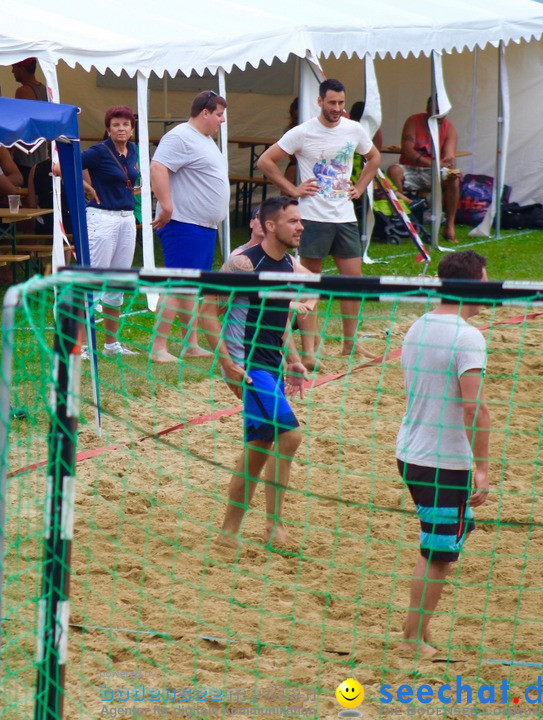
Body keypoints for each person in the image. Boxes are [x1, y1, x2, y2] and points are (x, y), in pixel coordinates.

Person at [395, 250, 490, 658]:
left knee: (455, 531)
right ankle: (412, 638)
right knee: (437, 553)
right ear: (472, 283)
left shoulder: (419, 325)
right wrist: (482, 469)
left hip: (412, 451)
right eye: (486, 280)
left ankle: (420, 631)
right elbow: (474, 407)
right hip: (440, 460)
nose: (491, 287)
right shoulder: (468, 337)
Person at [201, 197, 308, 549]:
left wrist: (292, 359)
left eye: (300, 221)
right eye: (293, 221)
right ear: (271, 226)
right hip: (247, 367)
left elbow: (280, 322)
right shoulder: (242, 264)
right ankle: (273, 528)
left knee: (260, 447)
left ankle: (227, 534)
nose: (300, 227)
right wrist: (226, 362)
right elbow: (209, 312)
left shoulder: (290, 265)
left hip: (272, 366)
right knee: (290, 436)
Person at [257, 78, 381, 359]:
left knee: (353, 281)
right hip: (312, 217)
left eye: (341, 102)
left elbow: (374, 158)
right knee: (310, 282)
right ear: (320, 102)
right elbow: (265, 161)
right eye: (332, 102)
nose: (337, 108)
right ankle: (310, 350)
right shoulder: (303, 132)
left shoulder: (354, 129)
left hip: (345, 217)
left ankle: (351, 343)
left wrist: (360, 187)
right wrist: (293, 190)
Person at [149, 90, 230, 363]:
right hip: (183, 223)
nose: (222, 120)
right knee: (177, 283)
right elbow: (158, 168)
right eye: (219, 114)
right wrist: (167, 205)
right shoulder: (180, 136)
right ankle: (159, 347)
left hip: (202, 225)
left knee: (190, 287)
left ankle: (190, 344)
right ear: (204, 112)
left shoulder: (204, 139)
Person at [80, 105, 141, 356]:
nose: (121, 129)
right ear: (108, 129)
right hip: (101, 217)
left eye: (126, 124)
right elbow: (61, 166)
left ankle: (111, 344)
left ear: (132, 128)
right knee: (93, 280)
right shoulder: (98, 151)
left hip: (127, 218)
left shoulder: (134, 150)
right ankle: (81, 345)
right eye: (116, 124)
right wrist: (87, 186)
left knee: (117, 281)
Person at [229, 206, 319, 370]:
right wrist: (288, 303)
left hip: (278, 314)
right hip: (254, 323)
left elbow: (314, 281)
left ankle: (309, 355)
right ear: (251, 223)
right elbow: (219, 306)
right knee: (280, 306)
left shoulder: (284, 257)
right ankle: (292, 359)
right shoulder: (239, 258)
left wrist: (311, 301)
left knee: (306, 296)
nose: (264, 221)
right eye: (259, 217)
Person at [387, 98, 461, 243]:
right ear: (428, 109)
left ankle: (449, 226)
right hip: (412, 168)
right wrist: (433, 163)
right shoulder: (414, 121)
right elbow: (408, 151)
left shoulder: (449, 128)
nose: (440, 116)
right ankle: (403, 216)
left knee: (455, 179)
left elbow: (449, 157)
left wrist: (449, 163)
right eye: (436, 111)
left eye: (442, 112)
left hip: (433, 171)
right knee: (393, 170)